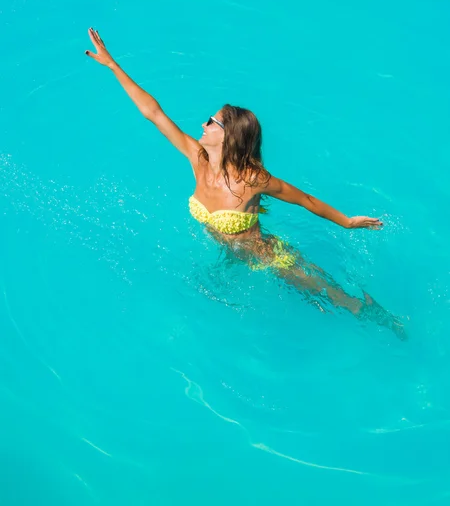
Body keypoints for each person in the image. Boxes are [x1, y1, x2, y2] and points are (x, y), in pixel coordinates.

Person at [85, 28, 405, 339]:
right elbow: (153, 113)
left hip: (267, 256)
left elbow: (305, 200)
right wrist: (113, 65)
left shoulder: (252, 180)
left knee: (332, 299)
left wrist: (348, 223)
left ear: (230, 135)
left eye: (211, 122)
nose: (202, 124)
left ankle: (379, 316)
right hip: (229, 255)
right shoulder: (197, 159)